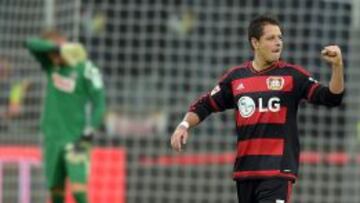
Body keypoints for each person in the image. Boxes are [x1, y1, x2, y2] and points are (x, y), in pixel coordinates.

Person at [170, 15, 344, 203]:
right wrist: (184, 125)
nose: (278, 43)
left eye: (280, 37)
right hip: (246, 172)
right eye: (271, 38)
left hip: (278, 172)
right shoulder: (236, 78)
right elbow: (205, 105)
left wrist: (337, 67)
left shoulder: (292, 76)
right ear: (255, 43)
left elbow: (331, 97)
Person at [25, 31, 106, 203]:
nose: (53, 57)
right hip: (52, 138)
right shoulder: (51, 66)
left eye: (56, 52)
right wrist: (55, 48)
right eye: (51, 53)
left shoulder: (86, 68)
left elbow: (100, 103)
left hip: (76, 139)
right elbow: (29, 43)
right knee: (55, 192)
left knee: (78, 192)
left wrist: (90, 129)